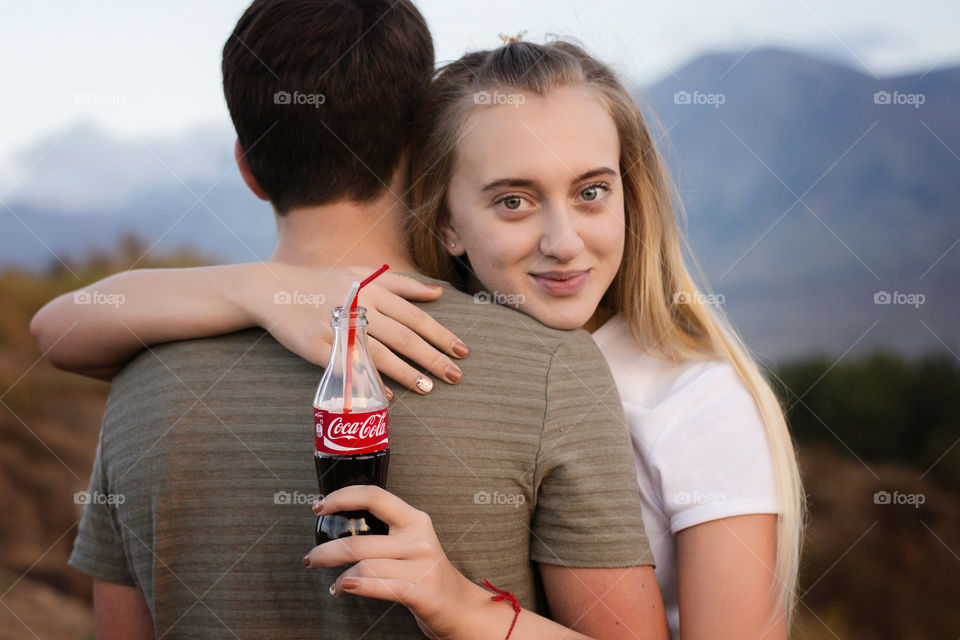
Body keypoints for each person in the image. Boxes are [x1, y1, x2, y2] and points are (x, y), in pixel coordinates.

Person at [31, 24, 804, 640]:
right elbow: (59, 326)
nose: (564, 241)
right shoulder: (472, 343)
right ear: (444, 211)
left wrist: (466, 608)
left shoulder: (694, 400)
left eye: (592, 192)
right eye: (513, 200)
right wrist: (266, 291)